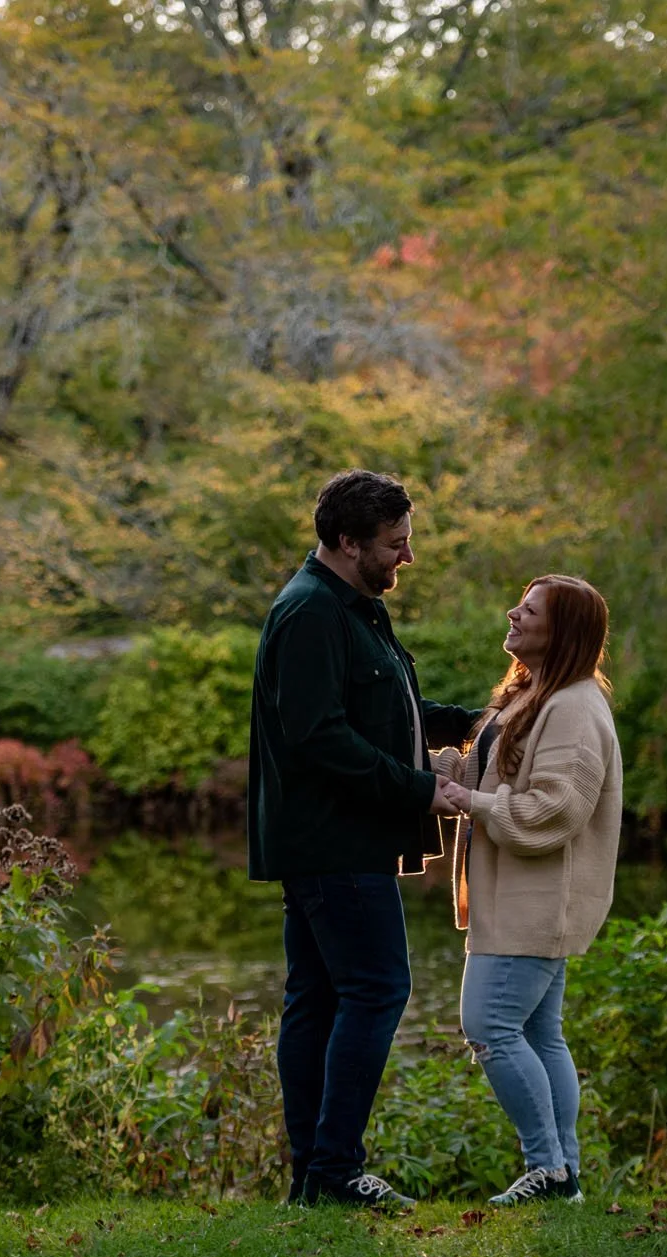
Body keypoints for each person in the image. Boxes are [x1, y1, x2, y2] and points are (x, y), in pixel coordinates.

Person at [247, 469, 479, 1210]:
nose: (405, 558)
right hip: (335, 844)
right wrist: (420, 788)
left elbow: (387, 707)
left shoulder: (351, 606)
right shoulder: (311, 612)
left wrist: (480, 721)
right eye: (395, 544)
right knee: (377, 989)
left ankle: (315, 1178)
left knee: (316, 1000)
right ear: (348, 542)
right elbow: (318, 738)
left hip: (336, 844)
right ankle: (335, 1170)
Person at [430, 574, 623, 1207]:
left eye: (530, 609)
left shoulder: (573, 706)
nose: (512, 613)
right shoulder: (534, 694)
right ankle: (562, 1172)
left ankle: (549, 1170)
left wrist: (470, 801)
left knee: (487, 1024)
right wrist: (406, 765)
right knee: (542, 1034)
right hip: (514, 896)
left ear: (561, 631)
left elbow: (553, 810)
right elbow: (483, 770)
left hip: (536, 899)